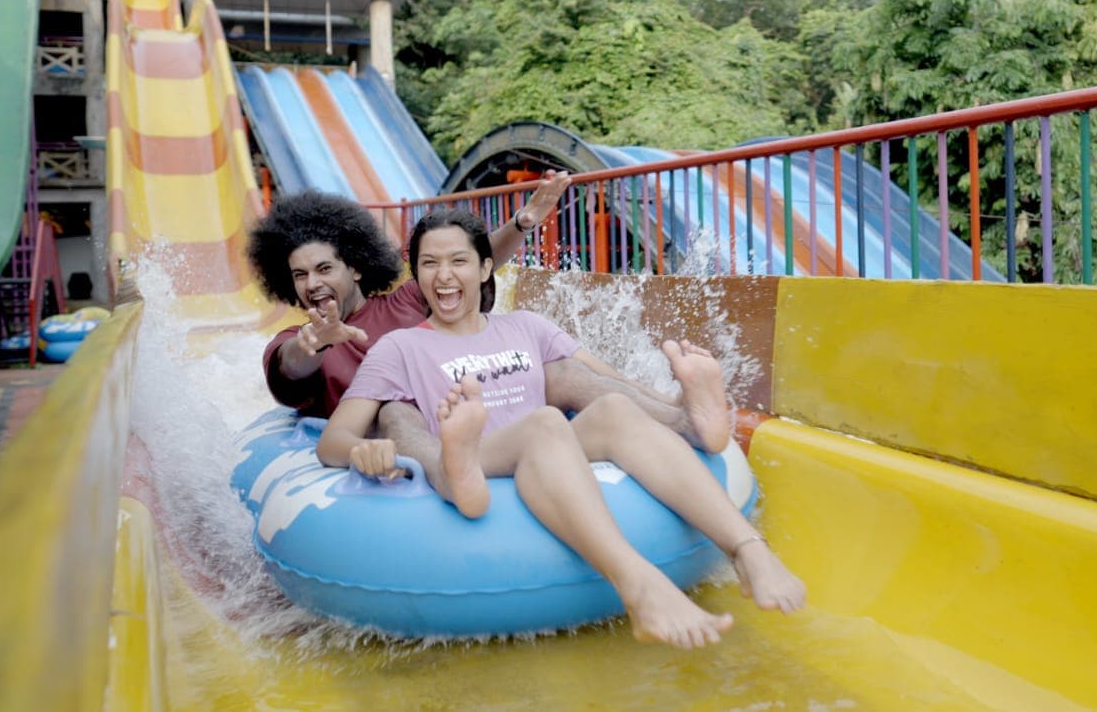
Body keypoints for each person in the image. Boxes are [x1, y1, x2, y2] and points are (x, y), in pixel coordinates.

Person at [317, 209, 805, 648]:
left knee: (611, 406)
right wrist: (369, 451)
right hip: (482, 453)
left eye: (459, 261)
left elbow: (605, 380)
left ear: (485, 268)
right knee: (533, 422)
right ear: (416, 273)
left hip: (549, 454)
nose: (444, 276)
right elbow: (334, 440)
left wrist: (672, 402)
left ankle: (747, 549)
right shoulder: (399, 347)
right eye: (429, 264)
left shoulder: (526, 326)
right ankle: (639, 586)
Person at [247, 180, 733, 458]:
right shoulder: (297, 339)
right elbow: (290, 367)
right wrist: (313, 343)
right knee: (396, 410)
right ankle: (452, 473)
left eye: (324, 269)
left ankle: (684, 419)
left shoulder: (406, 302)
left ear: (354, 265)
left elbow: (466, 265)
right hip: (415, 438)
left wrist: (521, 224)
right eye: (300, 275)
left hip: (476, 409)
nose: (312, 283)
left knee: (559, 368)